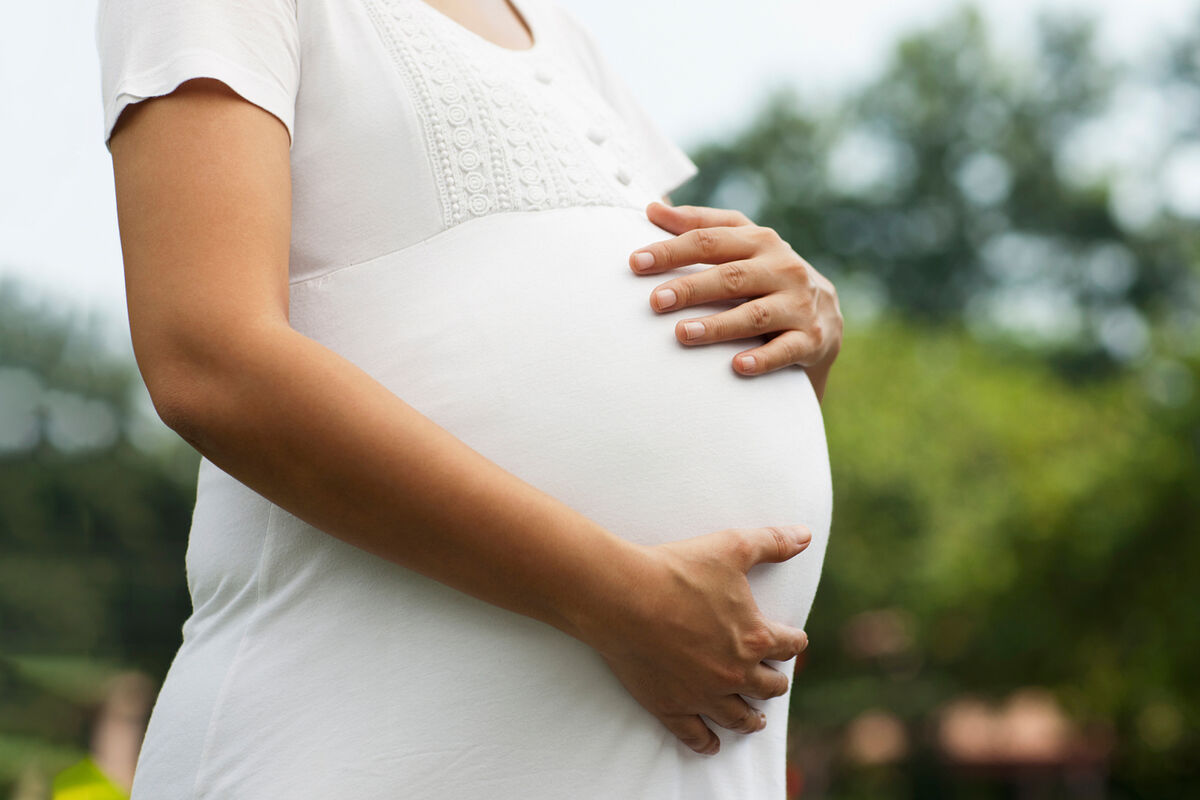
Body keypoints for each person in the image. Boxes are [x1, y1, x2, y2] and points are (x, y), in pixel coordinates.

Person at [96, 0, 842, 797]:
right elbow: (207, 359)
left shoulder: (559, 33)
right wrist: (616, 597)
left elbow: (665, 403)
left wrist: (801, 339)